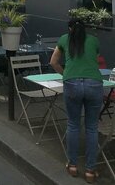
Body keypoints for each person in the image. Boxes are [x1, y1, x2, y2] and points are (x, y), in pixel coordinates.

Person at [50, 19, 103, 182]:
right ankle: (90, 171)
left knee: (73, 124)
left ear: (69, 28)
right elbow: (96, 59)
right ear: (85, 29)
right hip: (94, 83)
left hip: (72, 83)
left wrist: (66, 73)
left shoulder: (64, 39)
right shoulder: (94, 40)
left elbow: (53, 62)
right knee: (92, 127)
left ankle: (72, 166)